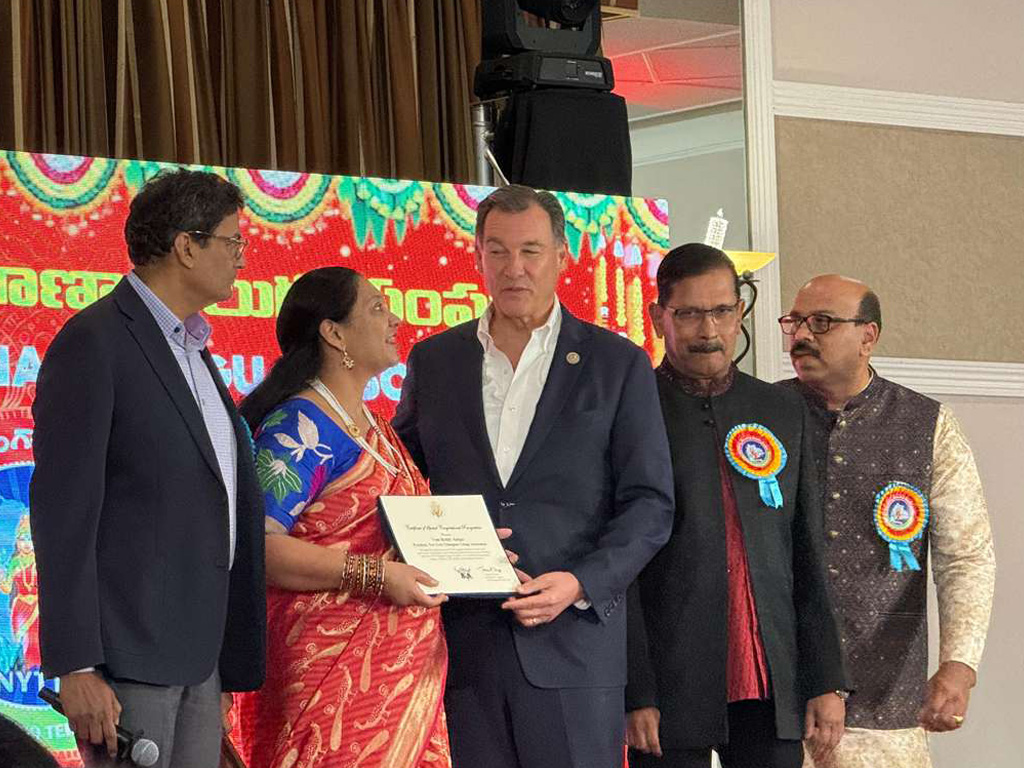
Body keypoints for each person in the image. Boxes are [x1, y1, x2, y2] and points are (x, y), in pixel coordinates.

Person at [393, 185, 674, 768]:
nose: (513, 268)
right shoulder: (435, 360)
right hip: (461, 646)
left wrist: (580, 582)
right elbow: (407, 483)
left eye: (530, 251)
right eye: (497, 251)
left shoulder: (617, 363)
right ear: (477, 256)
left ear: (562, 257)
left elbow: (650, 504)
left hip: (575, 647)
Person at [29, 169, 266, 768]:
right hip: (127, 657)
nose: (242, 258)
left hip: (199, 655)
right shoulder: (96, 341)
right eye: (232, 241)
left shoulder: (194, 350)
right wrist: (76, 664)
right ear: (186, 246)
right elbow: (63, 513)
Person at [626, 244, 850, 768]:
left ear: (740, 313)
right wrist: (635, 689)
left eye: (722, 311)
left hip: (771, 679)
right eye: (689, 313)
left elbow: (807, 553)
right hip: (669, 680)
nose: (708, 330)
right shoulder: (632, 407)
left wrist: (825, 679)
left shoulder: (782, 408)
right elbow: (623, 564)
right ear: (659, 317)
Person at [235, 267, 453, 768]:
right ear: (334, 334)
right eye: (377, 308)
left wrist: (474, 551)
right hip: (326, 674)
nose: (395, 320)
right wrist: (377, 575)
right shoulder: (302, 425)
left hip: (400, 677)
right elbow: (259, 547)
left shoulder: (374, 427)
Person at [779, 274, 996, 768]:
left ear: (868, 336)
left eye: (822, 322)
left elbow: (966, 557)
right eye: (795, 322)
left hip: (887, 705)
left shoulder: (928, 425)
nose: (802, 335)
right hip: (773, 703)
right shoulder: (763, 419)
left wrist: (959, 664)